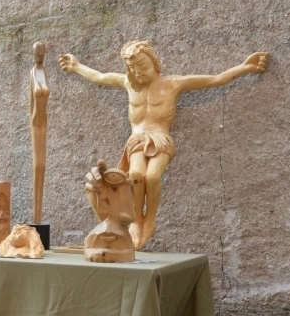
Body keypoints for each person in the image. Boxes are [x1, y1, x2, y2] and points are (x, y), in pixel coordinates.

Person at [59, 41, 268, 249]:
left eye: (142, 66)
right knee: (135, 175)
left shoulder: (173, 84)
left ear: (153, 62)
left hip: (161, 139)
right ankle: (136, 221)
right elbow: (100, 77)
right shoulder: (129, 84)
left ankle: (149, 220)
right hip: (136, 140)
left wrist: (245, 67)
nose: (138, 72)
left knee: (152, 177)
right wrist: (76, 66)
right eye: (132, 68)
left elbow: (215, 79)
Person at [29, 41, 50, 224]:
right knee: (37, 167)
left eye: (42, 52)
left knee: (42, 166)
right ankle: (36, 219)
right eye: (37, 52)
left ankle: (39, 219)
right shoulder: (33, 73)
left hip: (43, 124)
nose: (40, 55)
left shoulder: (43, 73)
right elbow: (32, 104)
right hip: (36, 122)